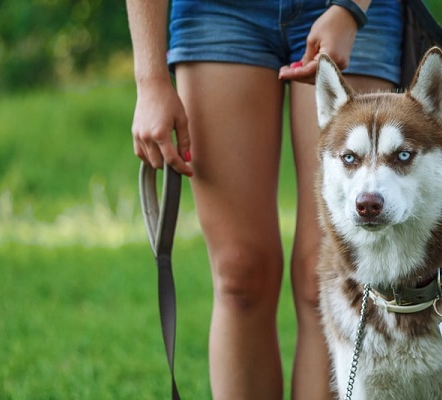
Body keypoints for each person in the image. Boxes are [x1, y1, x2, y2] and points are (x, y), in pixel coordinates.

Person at [126, 0, 403, 398]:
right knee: (240, 273)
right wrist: (149, 77)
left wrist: (349, 9)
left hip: (357, 13)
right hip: (218, 13)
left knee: (328, 277)